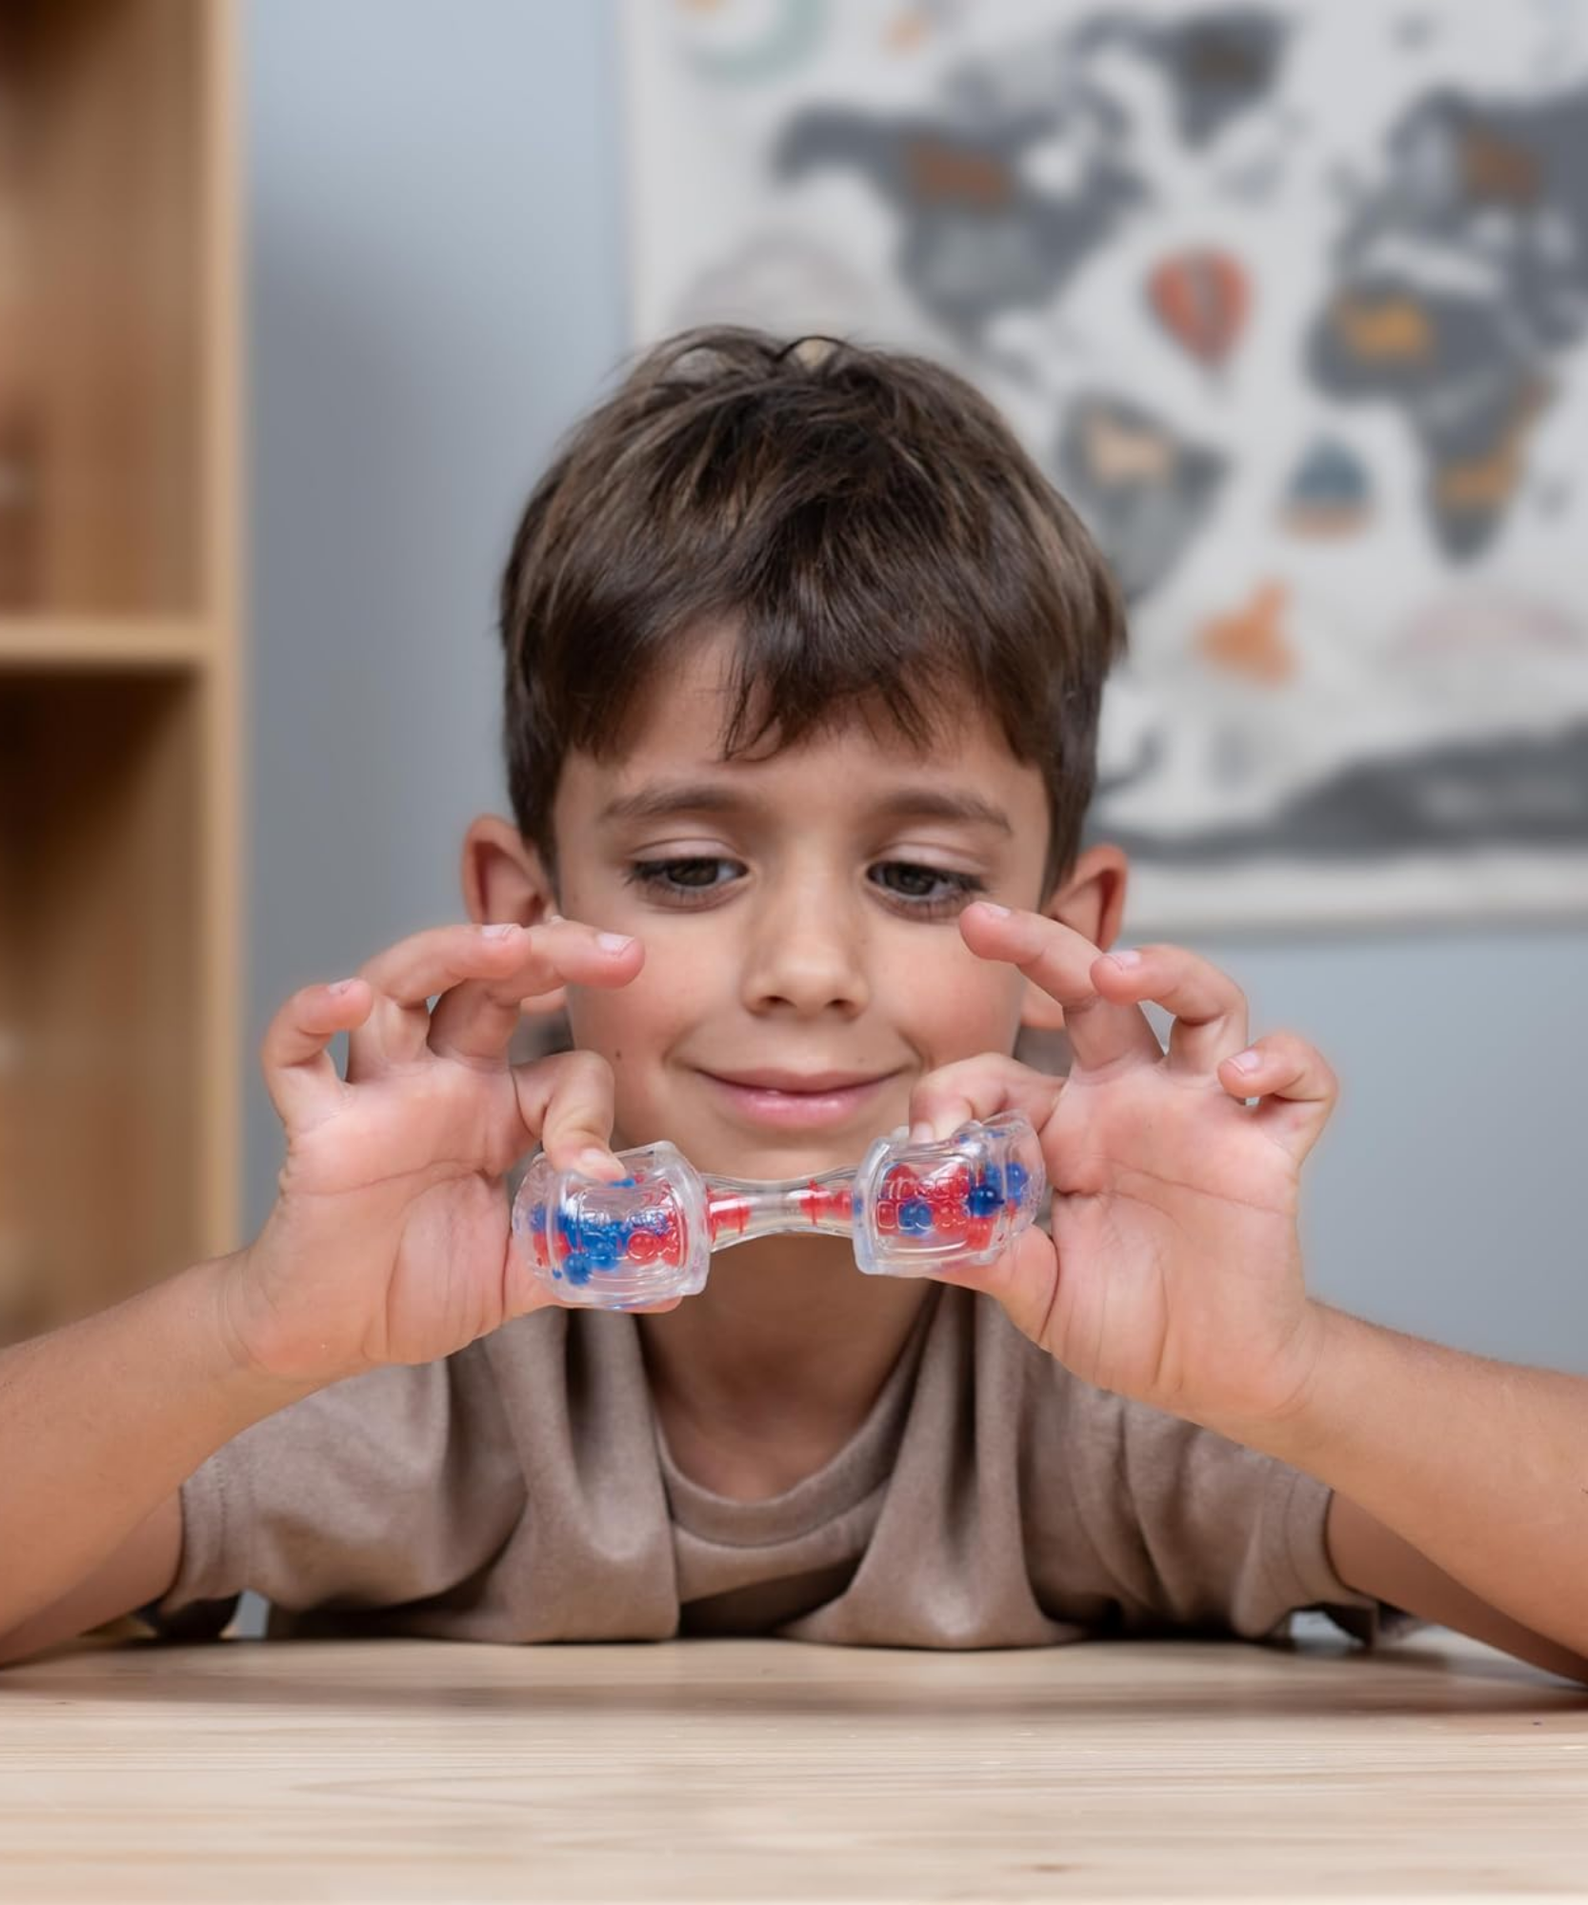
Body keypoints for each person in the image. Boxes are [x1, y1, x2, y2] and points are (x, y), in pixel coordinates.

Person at [2, 329, 1584, 1678]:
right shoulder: (401, 1364)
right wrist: (250, 1333)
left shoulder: (1135, 1370)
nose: (808, 966)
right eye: (691, 868)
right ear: (522, 922)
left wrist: (1292, 1374)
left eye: (917, 879)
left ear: (1067, 941)